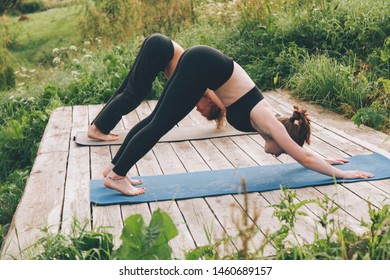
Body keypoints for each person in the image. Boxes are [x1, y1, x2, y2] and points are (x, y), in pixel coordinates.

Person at [102, 43, 374, 196]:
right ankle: (117, 175)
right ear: (282, 138)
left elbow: (301, 150)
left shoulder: (272, 122)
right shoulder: (268, 121)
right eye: (284, 150)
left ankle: (114, 168)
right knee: (159, 124)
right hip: (202, 64)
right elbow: (302, 157)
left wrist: (325, 158)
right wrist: (343, 174)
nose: (280, 155)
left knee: (156, 121)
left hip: (202, 62)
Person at [88, 33, 226, 142]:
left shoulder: (196, 88)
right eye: (204, 112)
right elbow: (225, 106)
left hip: (158, 44)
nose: (198, 110)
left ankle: (98, 126)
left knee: (126, 90)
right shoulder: (204, 87)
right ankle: (98, 129)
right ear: (211, 102)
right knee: (134, 95)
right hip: (161, 48)